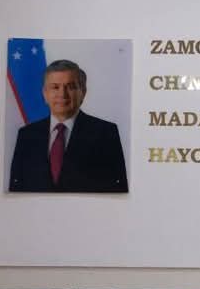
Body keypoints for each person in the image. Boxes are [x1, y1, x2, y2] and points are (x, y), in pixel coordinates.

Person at [9, 59, 128, 193]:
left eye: (71, 87)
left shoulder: (106, 133)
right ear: (45, 94)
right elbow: (16, 190)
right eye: (55, 87)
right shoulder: (27, 135)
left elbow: (118, 191)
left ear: (83, 92)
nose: (62, 94)